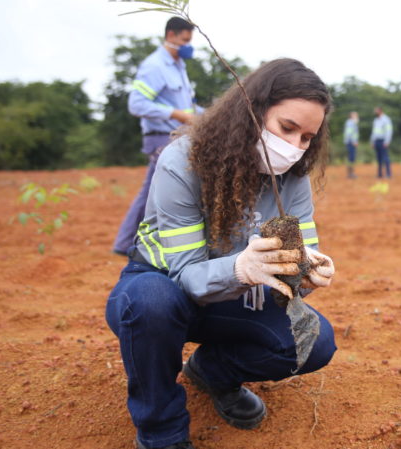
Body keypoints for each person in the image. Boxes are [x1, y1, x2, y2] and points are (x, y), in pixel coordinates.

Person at [105, 59, 337, 449]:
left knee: (313, 341)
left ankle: (211, 372)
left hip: (239, 296)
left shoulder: (293, 178)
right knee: (151, 302)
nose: (295, 148)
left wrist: (305, 273)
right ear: (251, 111)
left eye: (307, 138)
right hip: (167, 285)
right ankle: (161, 432)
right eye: (287, 128)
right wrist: (240, 267)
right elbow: (184, 274)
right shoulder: (183, 161)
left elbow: (293, 264)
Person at [111, 16, 203, 255]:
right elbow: (137, 104)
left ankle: (127, 243)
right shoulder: (155, 66)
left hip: (176, 136)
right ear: (171, 36)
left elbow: (187, 108)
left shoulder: (178, 67)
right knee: (153, 192)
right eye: (184, 40)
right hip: (162, 137)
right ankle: (125, 244)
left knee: (155, 190)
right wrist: (177, 115)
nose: (187, 45)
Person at [370, 106, 393, 178]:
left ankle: (388, 174)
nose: (375, 112)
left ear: (380, 111)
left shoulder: (386, 119)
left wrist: (387, 141)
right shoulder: (376, 120)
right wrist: (372, 141)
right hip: (376, 141)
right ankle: (379, 174)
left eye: (376, 111)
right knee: (378, 158)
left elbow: (389, 131)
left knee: (385, 157)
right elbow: (374, 132)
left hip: (383, 141)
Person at [343, 111, 359, 179]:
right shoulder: (351, 123)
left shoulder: (351, 123)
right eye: (355, 115)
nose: (357, 116)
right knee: (351, 158)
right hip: (351, 142)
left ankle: (350, 173)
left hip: (350, 142)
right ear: (352, 116)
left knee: (351, 158)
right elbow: (349, 133)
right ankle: (350, 174)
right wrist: (353, 141)